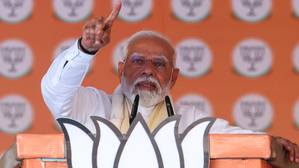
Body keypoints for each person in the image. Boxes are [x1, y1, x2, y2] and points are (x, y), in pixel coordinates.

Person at [40, 1, 299, 164]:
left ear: (173, 78)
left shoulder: (190, 122)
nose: (148, 71)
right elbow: (55, 92)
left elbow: (237, 140)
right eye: (138, 61)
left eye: (159, 64)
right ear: (120, 71)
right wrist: (85, 49)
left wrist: (272, 143)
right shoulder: (92, 107)